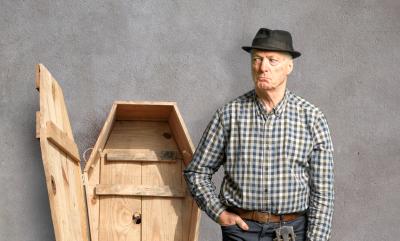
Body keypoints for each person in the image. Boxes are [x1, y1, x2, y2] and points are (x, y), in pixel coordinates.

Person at [183, 28, 334, 241]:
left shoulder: (312, 118)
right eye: (257, 59)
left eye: (272, 60)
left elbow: (323, 192)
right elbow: (196, 172)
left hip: (293, 232)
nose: (263, 67)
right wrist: (219, 214)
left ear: (289, 66)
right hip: (241, 232)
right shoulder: (229, 114)